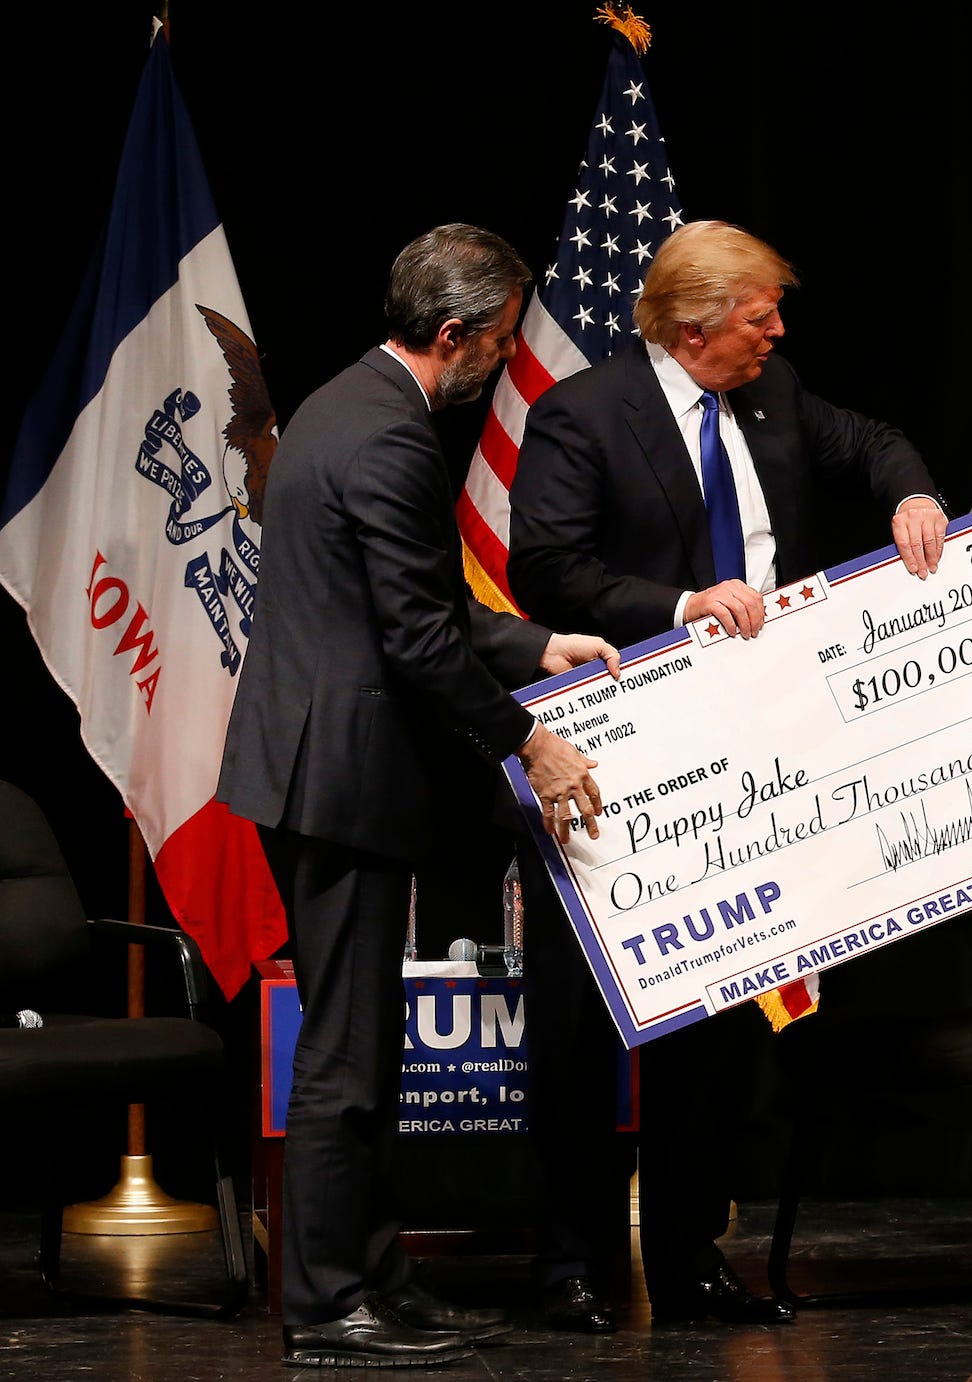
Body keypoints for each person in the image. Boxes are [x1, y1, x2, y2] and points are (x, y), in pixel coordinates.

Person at [507, 219, 948, 1329]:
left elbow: (874, 440)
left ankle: (692, 1254)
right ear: (697, 324)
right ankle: (568, 1261)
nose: (778, 331)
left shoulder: (776, 392)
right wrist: (677, 609)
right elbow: (547, 569)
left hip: (758, 756)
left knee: (719, 1012)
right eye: (761, 315)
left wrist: (909, 495)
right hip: (618, 758)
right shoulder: (581, 413)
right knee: (582, 1020)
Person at [218, 225, 620, 1367]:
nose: (502, 358)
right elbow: (417, 641)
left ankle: (376, 1273)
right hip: (335, 774)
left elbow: (419, 603)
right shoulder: (390, 436)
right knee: (344, 1055)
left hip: (316, 761)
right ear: (452, 334)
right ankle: (325, 1301)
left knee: (373, 1043)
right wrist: (531, 740)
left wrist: (537, 644)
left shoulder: (343, 403)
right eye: (497, 340)